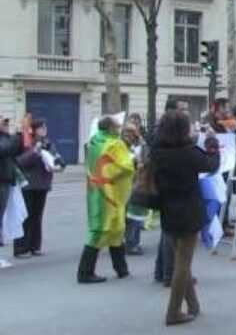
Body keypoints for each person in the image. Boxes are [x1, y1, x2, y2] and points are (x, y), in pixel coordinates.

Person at [150, 111, 220, 326]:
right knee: (183, 262)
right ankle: (173, 312)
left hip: (167, 207)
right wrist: (211, 141)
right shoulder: (188, 152)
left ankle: (193, 304)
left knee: (181, 258)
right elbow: (211, 164)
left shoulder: (157, 151)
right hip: (188, 208)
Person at [77, 116, 135, 284]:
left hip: (96, 190)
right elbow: (125, 166)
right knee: (109, 229)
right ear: (110, 128)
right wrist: (133, 160)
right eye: (117, 126)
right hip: (111, 192)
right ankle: (85, 272)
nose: (119, 129)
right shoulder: (115, 144)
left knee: (106, 227)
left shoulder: (94, 142)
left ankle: (121, 269)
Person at [13, 119, 65, 258]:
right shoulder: (26, 143)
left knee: (37, 217)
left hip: (42, 185)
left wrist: (60, 165)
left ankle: (35, 246)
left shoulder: (48, 143)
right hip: (28, 185)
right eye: (41, 128)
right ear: (34, 130)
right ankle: (21, 248)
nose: (44, 130)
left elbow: (57, 158)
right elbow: (20, 161)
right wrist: (35, 151)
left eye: (45, 127)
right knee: (26, 217)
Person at [153, 99, 189, 285]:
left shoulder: (162, 133)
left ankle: (162, 271)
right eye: (183, 110)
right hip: (173, 190)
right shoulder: (167, 136)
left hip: (166, 188)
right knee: (172, 234)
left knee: (167, 232)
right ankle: (170, 274)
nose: (186, 113)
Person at [1, 116, 24, 267]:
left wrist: (20, 135)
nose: (6, 125)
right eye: (3, 122)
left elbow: (16, 150)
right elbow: (5, 149)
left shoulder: (6, 138)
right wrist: (16, 137)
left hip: (5, 181)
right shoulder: (4, 140)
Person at [123, 123, 148, 256]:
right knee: (127, 216)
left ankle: (133, 242)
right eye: (126, 133)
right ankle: (129, 242)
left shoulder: (141, 146)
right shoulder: (121, 146)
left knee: (135, 215)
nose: (128, 136)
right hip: (125, 185)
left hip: (137, 184)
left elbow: (146, 160)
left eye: (131, 133)